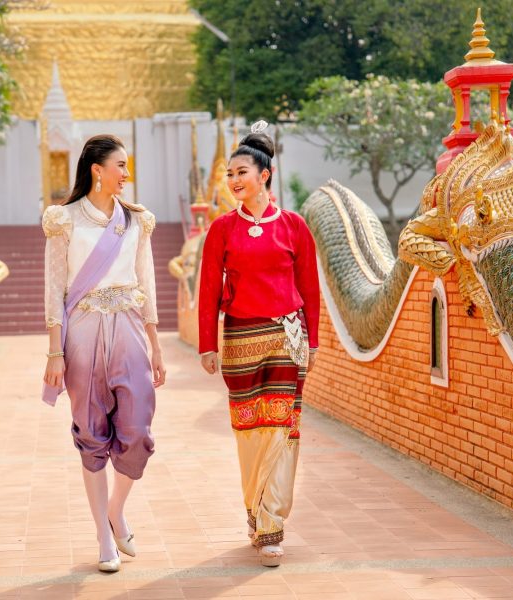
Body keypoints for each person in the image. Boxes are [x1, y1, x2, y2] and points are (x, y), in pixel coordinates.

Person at [42, 134, 166, 573]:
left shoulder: (137, 221)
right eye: (121, 166)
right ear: (97, 169)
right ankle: (102, 536)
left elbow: (146, 282)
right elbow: (55, 288)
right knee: (91, 431)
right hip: (83, 331)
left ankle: (116, 510)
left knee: (137, 430)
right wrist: (54, 353)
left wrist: (155, 344)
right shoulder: (64, 220)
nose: (126, 175)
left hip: (130, 328)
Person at [198, 121, 320, 567]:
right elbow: (209, 287)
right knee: (250, 431)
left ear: (264, 175)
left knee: (282, 430)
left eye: (241, 173)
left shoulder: (294, 226)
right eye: (230, 174)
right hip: (239, 341)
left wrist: (316, 341)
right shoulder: (222, 230)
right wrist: (207, 345)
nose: (233, 181)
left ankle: (271, 525)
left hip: (287, 338)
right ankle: (255, 508)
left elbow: (310, 286)